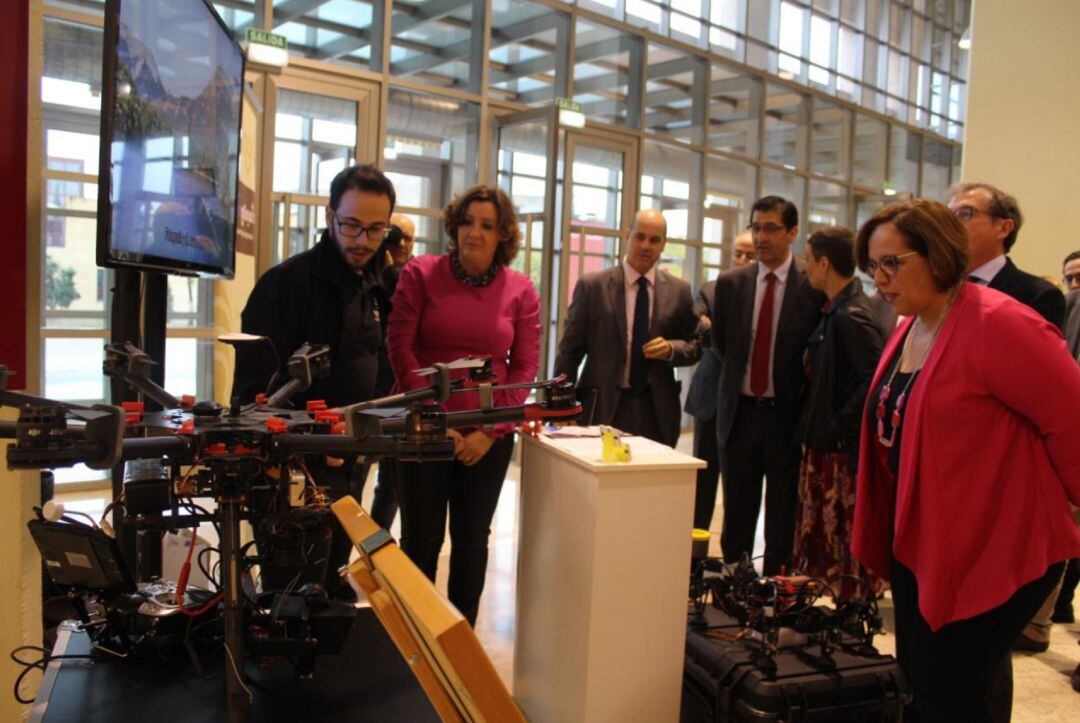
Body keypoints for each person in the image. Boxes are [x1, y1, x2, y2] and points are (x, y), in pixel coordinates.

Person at [851, 199, 1080, 721]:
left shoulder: (999, 322)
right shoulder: (910, 325)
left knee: (955, 690)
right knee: (922, 683)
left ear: (937, 255)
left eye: (892, 263)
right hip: (925, 539)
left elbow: (1071, 419)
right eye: (873, 266)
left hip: (994, 545)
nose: (880, 279)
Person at [232, 164, 398, 600]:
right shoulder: (285, 284)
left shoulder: (378, 286)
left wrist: (367, 425)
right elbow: (251, 391)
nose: (362, 240)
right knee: (288, 593)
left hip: (350, 456)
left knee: (331, 577)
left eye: (376, 229)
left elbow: (380, 364)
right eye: (351, 226)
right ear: (330, 217)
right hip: (291, 464)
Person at [387, 185, 540, 627]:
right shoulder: (421, 272)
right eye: (468, 221)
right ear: (455, 226)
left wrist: (488, 433)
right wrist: (434, 419)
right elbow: (400, 347)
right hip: (422, 428)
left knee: (473, 540)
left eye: (488, 225)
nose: (475, 233)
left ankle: (461, 644)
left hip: (487, 439)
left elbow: (524, 367)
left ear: (502, 236)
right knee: (420, 540)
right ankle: (415, 641)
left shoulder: (521, 289)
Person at [710, 196, 825, 575]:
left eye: (770, 228)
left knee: (782, 518)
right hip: (739, 415)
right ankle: (733, 590)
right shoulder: (730, 285)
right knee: (738, 514)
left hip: (786, 420)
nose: (760, 237)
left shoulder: (811, 285)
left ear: (793, 233)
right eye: (755, 227)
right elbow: (724, 347)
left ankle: (775, 597)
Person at [554, 209, 700, 447]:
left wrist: (672, 349)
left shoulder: (679, 291)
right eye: (640, 236)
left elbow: (695, 346)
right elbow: (569, 352)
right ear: (627, 236)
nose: (646, 245)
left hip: (657, 410)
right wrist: (561, 407)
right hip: (603, 406)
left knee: (650, 482)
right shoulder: (593, 286)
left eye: (654, 240)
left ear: (664, 245)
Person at [793, 227, 885, 599]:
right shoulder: (836, 310)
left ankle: (851, 617)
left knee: (843, 543)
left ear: (825, 263)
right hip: (826, 442)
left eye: (809, 260)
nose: (806, 268)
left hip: (839, 452)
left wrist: (837, 424)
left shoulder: (852, 314)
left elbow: (873, 378)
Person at [686, 230, 754, 530]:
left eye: (749, 255)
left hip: (746, 402)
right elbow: (699, 321)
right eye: (737, 253)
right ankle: (695, 552)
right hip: (711, 397)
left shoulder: (761, 292)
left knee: (740, 485)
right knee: (703, 479)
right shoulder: (713, 288)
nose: (741, 259)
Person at [948, 182, 1065, 330]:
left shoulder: (1038, 296)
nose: (950, 224)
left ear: (1003, 228)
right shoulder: (938, 288)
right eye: (948, 216)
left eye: (965, 214)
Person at [368, 213, 417, 531]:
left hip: (401, 393)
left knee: (394, 484)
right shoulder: (370, 275)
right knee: (354, 475)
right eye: (394, 236)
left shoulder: (413, 279)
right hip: (368, 392)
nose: (400, 244)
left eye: (407, 238)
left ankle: (378, 550)